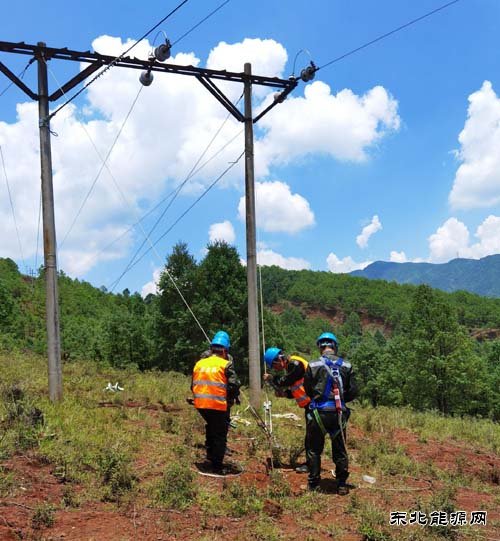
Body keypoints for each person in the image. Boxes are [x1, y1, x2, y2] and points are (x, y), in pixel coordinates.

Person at [304, 332, 358, 494]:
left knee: (314, 449)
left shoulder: (313, 365)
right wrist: (341, 401)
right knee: (340, 449)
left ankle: (314, 484)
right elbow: (353, 391)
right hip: (338, 413)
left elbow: (308, 389)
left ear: (320, 347)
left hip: (319, 413)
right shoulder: (346, 365)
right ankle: (341, 484)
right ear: (335, 347)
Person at [191, 331, 240, 474]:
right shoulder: (226, 364)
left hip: (201, 405)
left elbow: (192, 385)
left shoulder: (199, 363)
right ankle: (216, 466)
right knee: (220, 434)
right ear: (225, 350)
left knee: (211, 427)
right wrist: (230, 400)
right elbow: (234, 385)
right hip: (218, 405)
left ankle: (210, 456)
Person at [263, 347, 310, 473]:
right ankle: (311, 463)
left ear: (279, 360)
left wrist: (272, 378)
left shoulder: (295, 364)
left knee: (312, 437)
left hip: (315, 404)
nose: (275, 369)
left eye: (274, 366)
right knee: (311, 436)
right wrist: (285, 394)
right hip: (310, 405)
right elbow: (295, 388)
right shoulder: (291, 368)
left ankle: (311, 465)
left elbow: (286, 381)